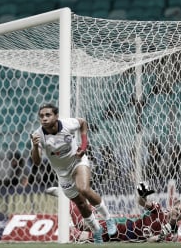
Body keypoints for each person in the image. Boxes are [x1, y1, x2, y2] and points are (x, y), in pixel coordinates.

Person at [30, 103, 116, 244]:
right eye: (41, 116)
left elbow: (82, 122)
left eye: (48, 115)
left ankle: (108, 218)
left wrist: (83, 146)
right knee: (81, 204)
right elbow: (36, 162)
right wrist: (34, 146)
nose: (44, 118)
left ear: (56, 116)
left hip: (78, 162)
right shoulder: (38, 136)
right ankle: (96, 230)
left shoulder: (67, 124)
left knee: (84, 189)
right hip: (63, 174)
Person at [47, 182, 181, 243]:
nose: (178, 212)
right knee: (81, 226)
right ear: (173, 206)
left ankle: (73, 200)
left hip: (124, 239)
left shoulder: (173, 233)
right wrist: (142, 195)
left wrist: (160, 238)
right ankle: (67, 195)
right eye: (177, 208)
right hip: (121, 228)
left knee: (81, 236)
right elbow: (142, 202)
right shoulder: (158, 211)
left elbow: (152, 241)